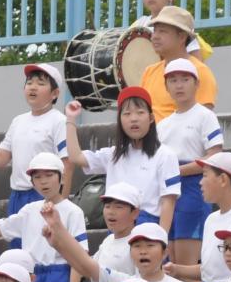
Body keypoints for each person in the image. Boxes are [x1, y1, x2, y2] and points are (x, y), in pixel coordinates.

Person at [65, 90, 179, 239]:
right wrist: (71, 120)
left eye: (140, 112)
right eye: (127, 114)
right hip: (116, 228)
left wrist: (161, 240)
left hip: (148, 229)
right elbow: (76, 157)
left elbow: (168, 203)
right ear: (120, 120)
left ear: (151, 118)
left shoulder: (165, 155)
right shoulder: (113, 155)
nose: (134, 119)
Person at [0, 64, 69, 216]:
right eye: (29, 83)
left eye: (40, 83)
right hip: (17, 196)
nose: (33, 87)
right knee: (17, 240)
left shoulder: (59, 121)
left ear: (55, 93)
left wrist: (61, 201)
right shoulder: (18, 121)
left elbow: (67, 164)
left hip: (44, 195)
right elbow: (1, 158)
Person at [157, 57, 224, 269]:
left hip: (194, 188)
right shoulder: (163, 125)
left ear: (196, 84)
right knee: (170, 255)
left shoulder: (205, 116)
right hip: (168, 192)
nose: (179, 85)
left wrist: (177, 171)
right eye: (173, 80)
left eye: (185, 79)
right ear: (166, 86)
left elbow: (214, 155)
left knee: (187, 260)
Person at [141, 6, 219, 119]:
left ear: (182, 37)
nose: (155, 37)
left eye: (162, 31)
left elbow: (202, 121)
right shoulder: (149, 71)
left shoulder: (199, 71)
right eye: (155, 31)